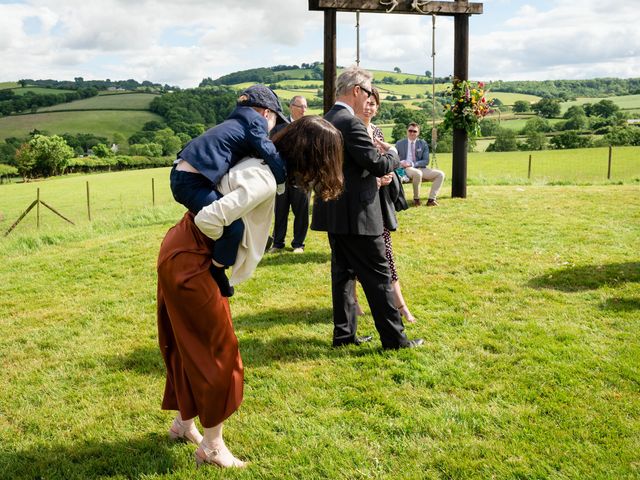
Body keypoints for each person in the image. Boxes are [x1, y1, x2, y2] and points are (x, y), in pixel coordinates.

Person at [157, 115, 344, 469]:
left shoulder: (263, 164)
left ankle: (184, 424)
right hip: (193, 258)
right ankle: (212, 447)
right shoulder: (262, 178)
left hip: (182, 250)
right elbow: (208, 219)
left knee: (189, 344)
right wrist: (218, 262)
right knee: (218, 352)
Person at [311, 66, 423, 350]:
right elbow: (377, 163)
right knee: (379, 277)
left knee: (344, 277)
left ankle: (345, 336)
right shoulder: (350, 123)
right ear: (356, 91)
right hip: (358, 215)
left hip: (334, 212)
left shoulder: (326, 120)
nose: (369, 98)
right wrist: (394, 153)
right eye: (368, 92)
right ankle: (395, 341)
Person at [169, 84, 288, 296]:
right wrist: (281, 179)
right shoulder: (255, 121)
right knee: (233, 227)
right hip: (191, 181)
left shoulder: (237, 121)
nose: (272, 128)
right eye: (275, 122)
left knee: (236, 212)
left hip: (190, 176)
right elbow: (268, 152)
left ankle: (249, 242)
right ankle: (217, 268)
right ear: (267, 113)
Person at [354, 87, 416, 323]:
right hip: (358, 203)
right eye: (366, 101)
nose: (369, 107)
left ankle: (400, 305)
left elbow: (384, 163)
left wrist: (387, 175)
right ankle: (354, 300)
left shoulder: (377, 132)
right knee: (352, 259)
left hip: (379, 204)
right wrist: (375, 179)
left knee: (386, 253)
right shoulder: (352, 130)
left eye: (373, 103)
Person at [268, 95, 311, 254]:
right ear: (291, 106)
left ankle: (298, 244)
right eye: (300, 106)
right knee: (280, 210)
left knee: (301, 212)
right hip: (282, 175)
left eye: (305, 106)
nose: (303, 110)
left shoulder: (309, 127)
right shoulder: (279, 127)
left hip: (303, 176)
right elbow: (272, 149)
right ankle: (278, 243)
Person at [396, 122, 445, 206]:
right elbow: (395, 158)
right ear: (407, 131)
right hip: (406, 169)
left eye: (414, 131)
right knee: (417, 173)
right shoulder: (400, 143)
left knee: (440, 174)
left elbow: (426, 161)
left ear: (418, 133)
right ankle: (416, 199)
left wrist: (412, 163)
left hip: (419, 167)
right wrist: (401, 163)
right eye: (410, 130)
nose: (412, 133)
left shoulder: (423, 143)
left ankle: (431, 200)